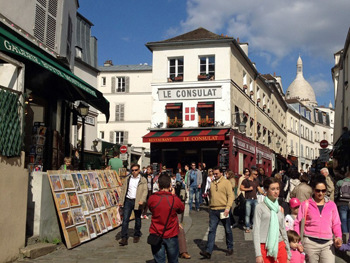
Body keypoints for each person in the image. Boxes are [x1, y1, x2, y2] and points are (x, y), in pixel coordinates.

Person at [294, 175, 342, 262]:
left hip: (328, 245)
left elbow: (336, 223)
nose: (320, 193)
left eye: (323, 190)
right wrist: (298, 242)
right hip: (310, 243)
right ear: (313, 190)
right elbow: (297, 223)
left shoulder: (331, 205)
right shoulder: (305, 204)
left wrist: (339, 237)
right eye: (318, 190)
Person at [253, 177, 291, 263]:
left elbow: (283, 230)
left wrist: (288, 251)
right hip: (265, 246)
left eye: (277, 189)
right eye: (273, 189)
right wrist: (258, 254)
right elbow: (256, 231)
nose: (276, 191)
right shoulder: (260, 207)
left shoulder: (279, 208)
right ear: (266, 190)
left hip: (280, 245)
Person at [148, 173, 185, 262]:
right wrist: (174, 195)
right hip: (171, 233)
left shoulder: (152, 198)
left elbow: (151, 209)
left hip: (156, 232)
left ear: (158, 185)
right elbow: (181, 209)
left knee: (159, 260)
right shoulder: (173, 199)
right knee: (173, 260)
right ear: (170, 185)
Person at [199, 166, 234, 259]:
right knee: (212, 230)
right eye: (214, 173)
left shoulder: (226, 183)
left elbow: (231, 196)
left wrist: (228, 208)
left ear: (221, 173)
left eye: (216, 173)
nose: (214, 175)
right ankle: (208, 251)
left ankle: (230, 247)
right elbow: (211, 196)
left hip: (223, 210)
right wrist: (209, 208)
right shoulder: (213, 183)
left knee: (227, 229)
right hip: (213, 210)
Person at [118, 164, 148, 246]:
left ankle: (136, 234)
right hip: (128, 200)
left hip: (137, 201)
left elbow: (145, 191)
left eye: (135, 170)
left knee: (137, 219)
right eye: (132, 170)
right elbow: (123, 190)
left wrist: (142, 200)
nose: (134, 172)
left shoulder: (143, 180)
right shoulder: (128, 179)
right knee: (125, 219)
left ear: (139, 170)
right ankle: (124, 238)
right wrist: (121, 201)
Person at [240, 168, 265, 233]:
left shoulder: (256, 181)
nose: (257, 176)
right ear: (252, 174)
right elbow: (241, 188)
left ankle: (254, 226)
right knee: (247, 214)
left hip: (255, 199)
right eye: (256, 174)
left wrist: (264, 193)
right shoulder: (245, 181)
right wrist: (248, 189)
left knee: (255, 213)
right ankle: (247, 227)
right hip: (248, 199)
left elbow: (259, 188)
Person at [335, 171, 350, 243]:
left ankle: (345, 237)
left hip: (342, 203)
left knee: (343, 220)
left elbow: (336, 194)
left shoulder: (339, 182)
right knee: (349, 220)